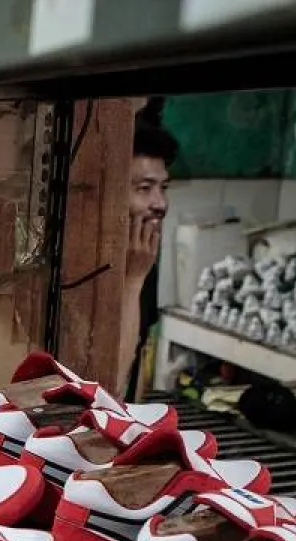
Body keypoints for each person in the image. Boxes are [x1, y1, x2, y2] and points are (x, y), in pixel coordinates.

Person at [123, 116, 180, 398]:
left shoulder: (144, 257)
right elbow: (111, 378)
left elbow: (136, 359)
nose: (160, 203)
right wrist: (133, 280)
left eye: (163, 187)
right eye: (144, 189)